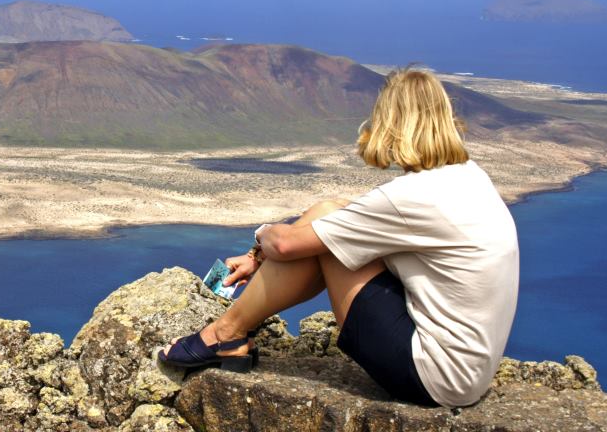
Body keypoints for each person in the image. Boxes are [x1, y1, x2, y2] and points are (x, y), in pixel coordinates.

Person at [158, 69, 519, 408]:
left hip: (433, 377)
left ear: (392, 125)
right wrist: (257, 257)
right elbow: (350, 219)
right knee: (332, 215)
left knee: (326, 226)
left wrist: (263, 234)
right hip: (470, 373)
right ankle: (231, 333)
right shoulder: (468, 177)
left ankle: (225, 333)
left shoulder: (415, 195)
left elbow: (286, 244)